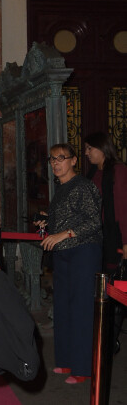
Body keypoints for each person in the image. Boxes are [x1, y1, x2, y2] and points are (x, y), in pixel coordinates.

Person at [38, 143, 102, 384]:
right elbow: (68, 218)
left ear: (74, 161)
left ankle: (83, 368)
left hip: (84, 252)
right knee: (63, 307)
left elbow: (94, 222)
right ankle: (66, 362)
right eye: (52, 159)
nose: (56, 163)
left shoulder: (84, 186)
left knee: (81, 310)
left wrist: (62, 234)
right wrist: (48, 223)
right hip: (63, 254)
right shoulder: (62, 188)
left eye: (61, 158)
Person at [84, 131, 127, 353]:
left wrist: (126, 242)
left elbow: (122, 207)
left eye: (90, 148)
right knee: (102, 288)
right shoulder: (93, 172)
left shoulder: (117, 170)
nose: (87, 152)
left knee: (116, 288)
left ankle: (111, 337)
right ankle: (104, 335)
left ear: (103, 148)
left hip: (115, 239)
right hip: (97, 238)